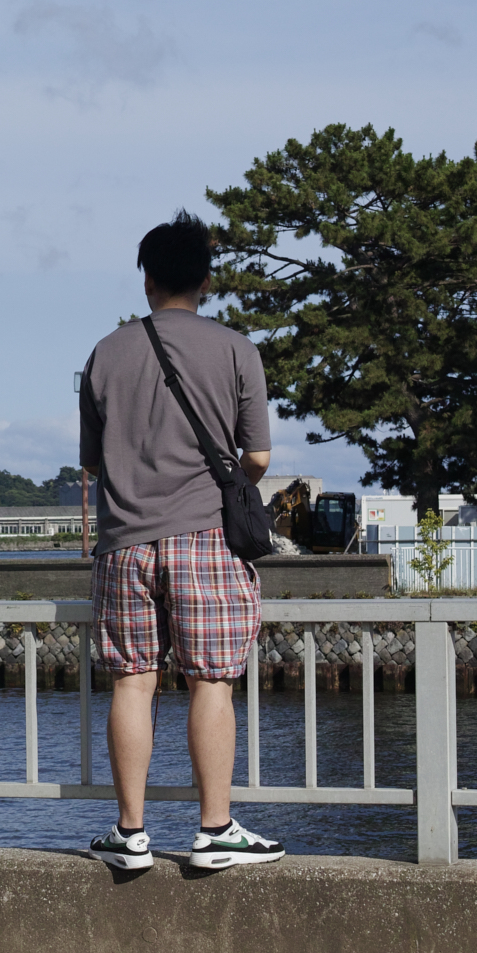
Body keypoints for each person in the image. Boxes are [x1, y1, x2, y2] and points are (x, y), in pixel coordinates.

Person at [77, 210, 284, 871]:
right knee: (211, 681)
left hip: (123, 543)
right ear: (206, 279)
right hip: (204, 536)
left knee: (132, 683)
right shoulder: (234, 349)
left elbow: (93, 463)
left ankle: (130, 833)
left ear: (147, 280)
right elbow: (256, 456)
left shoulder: (104, 354)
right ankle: (214, 829)